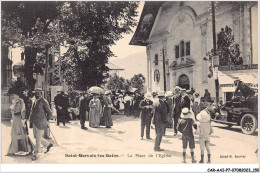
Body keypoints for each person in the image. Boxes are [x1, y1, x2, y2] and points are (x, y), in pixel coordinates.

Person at [7, 88, 34, 156]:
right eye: (12, 95)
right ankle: (14, 150)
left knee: (22, 133)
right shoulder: (13, 102)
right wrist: (12, 119)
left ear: (17, 95)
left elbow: (23, 111)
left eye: (14, 95)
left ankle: (27, 149)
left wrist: (23, 120)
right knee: (14, 134)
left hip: (19, 119)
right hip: (15, 119)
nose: (12, 96)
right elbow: (12, 112)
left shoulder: (21, 101)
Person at [30, 88, 53, 161]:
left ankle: (35, 154)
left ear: (41, 93)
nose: (36, 94)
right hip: (35, 122)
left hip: (41, 123)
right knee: (36, 137)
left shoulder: (44, 101)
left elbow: (49, 113)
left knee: (38, 140)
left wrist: (46, 120)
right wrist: (31, 122)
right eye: (35, 93)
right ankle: (48, 144)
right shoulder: (34, 101)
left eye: (38, 93)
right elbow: (32, 112)